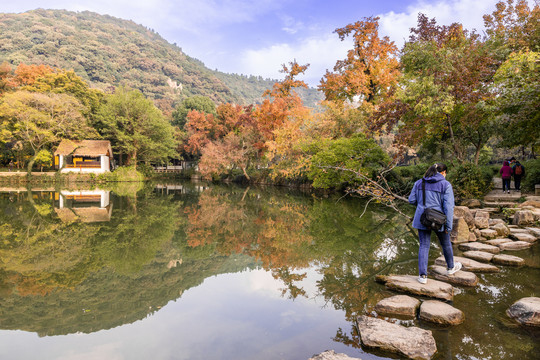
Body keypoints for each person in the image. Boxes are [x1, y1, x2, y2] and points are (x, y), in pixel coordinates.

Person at [408, 163, 461, 284]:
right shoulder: (446, 185)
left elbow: (411, 200)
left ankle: (422, 276)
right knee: (446, 243)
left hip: (423, 218)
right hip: (439, 220)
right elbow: (449, 207)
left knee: (424, 245)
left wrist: (422, 206)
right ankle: (450, 268)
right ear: (443, 173)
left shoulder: (419, 182)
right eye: (445, 173)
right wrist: (448, 226)